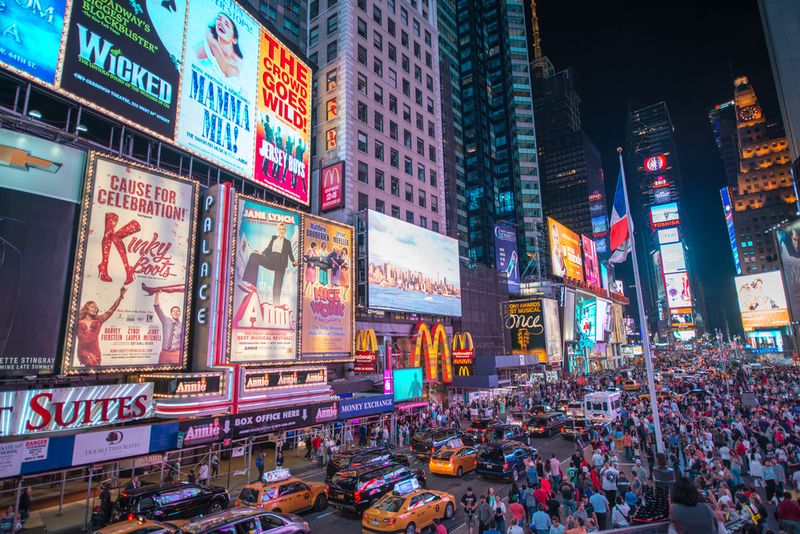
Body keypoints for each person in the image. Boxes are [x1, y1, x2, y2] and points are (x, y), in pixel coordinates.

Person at [240, 222, 297, 305]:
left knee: (277, 286)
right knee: (254, 256)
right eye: (280, 229)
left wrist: (294, 262)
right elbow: (268, 248)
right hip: (271, 259)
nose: (281, 231)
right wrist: (261, 253)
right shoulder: (274, 238)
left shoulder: (287, 242)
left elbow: (290, 254)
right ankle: (250, 284)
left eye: (283, 229)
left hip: (280, 263)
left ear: (285, 230)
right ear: (278, 229)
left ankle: (276, 305)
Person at [76, 287, 126, 366]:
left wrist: (120, 297)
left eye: (96, 307)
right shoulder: (77, 321)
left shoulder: (99, 320)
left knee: (95, 370)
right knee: (91, 363)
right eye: (92, 307)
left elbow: (112, 309)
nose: (95, 309)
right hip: (83, 351)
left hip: (96, 351)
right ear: (86, 308)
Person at [194, 13, 244, 81]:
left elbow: (229, 72)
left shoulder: (239, 62)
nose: (221, 23)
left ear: (234, 40)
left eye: (226, 24)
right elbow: (191, 55)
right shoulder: (208, 44)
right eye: (219, 19)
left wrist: (213, 44)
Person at [152, 291, 183, 364]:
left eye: (177, 311)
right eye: (173, 311)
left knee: (176, 373)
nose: (175, 312)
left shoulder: (183, 326)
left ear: (179, 313)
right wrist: (157, 294)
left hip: (176, 354)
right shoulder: (165, 321)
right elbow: (157, 308)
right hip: (164, 353)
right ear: (171, 313)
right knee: (161, 373)